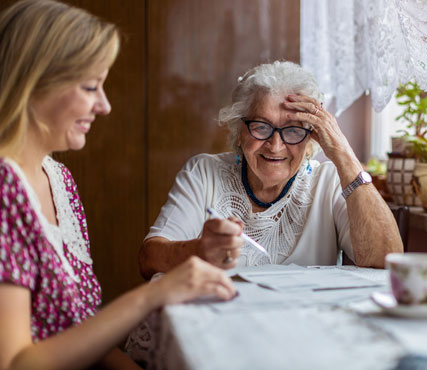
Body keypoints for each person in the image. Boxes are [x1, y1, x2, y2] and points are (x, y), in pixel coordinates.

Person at [0, 1, 237, 369]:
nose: (105, 105)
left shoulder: (58, 180)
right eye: (91, 86)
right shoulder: (4, 189)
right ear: (35, 82)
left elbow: (80, 332)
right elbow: (16, 363)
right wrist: (153, 295)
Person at [139, 61, 403, 279]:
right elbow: (149, 259)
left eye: (293, 130)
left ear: (312, 139)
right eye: (262, 127)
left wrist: (344, 154)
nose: (276, 145)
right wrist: (199, 249)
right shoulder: (204, 172)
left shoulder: (329, 182)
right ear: (239, 132)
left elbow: (388, 262)